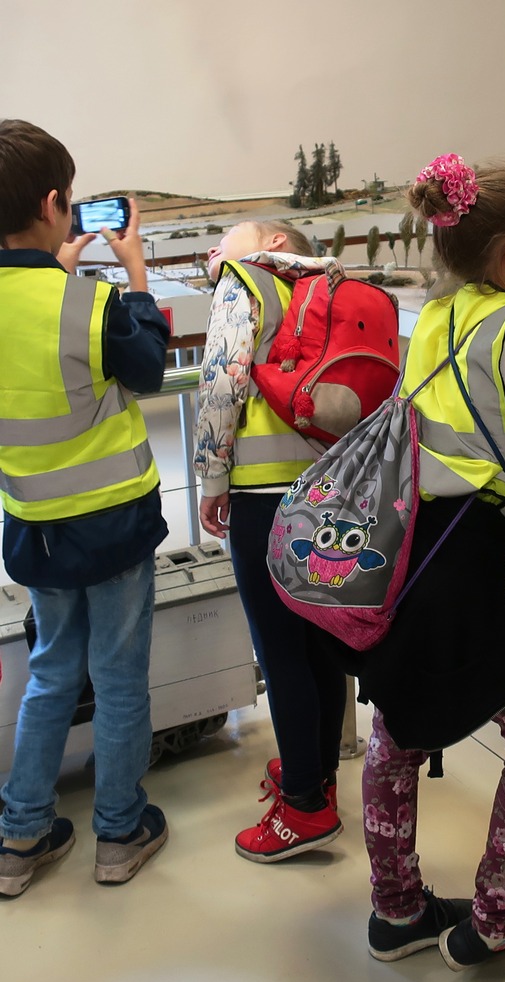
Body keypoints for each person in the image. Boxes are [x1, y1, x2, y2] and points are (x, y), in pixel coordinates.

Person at [357, 153, 505, 971]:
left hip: (417, 551)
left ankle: (395, 911)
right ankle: (495, 916)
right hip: (490, 561)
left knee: (398, 723)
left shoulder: (435, 315)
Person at [0, 120, 172, 895]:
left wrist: (52, 270)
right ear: (54, 206)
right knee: (119, 677)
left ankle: (21, 835)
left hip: (35, 530)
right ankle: (117, 832)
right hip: (112, 527)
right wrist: (133, 272)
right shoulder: (87, 304)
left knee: (50, 674)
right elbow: (143, 367)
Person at [195, 220, 350, 862]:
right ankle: (318, 774)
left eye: (227, 237)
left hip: (264, 494)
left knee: (279, 648)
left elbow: (222, 382)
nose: (214, 251)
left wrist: (210, 476)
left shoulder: (248, 281)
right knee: (320, 644)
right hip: (334, 491)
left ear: (275, 243)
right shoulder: (336, 287)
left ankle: (305, 810)